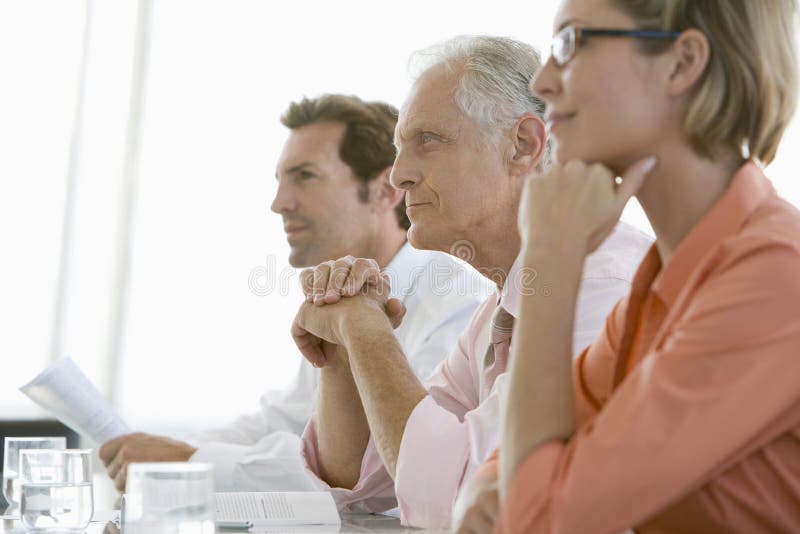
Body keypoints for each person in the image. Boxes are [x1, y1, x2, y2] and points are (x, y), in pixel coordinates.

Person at [453, 1, 800, 533]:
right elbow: (518, 461)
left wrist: (549, 255)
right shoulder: (669, 276)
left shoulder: (773, 277)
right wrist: (485, 488)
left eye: (569, 43)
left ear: (681, 62)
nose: (544, 81)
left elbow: (538, 519)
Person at [289, 36, 653, 528]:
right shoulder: (500, 310)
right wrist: (341, 348)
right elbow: (360, 484)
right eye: (399, 150)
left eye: (427, 141)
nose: (399, 177)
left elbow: (457, 495)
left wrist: (368, 333)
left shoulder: (602, 287)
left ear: (522, 145)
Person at [99, 94, 492, 493]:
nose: (278, 203)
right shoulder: (341, 298)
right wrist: (169, 453)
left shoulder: (457, 304)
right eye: (280, 181)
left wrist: (189, 462)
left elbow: (383, 471)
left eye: (304, 176)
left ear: (384, 191)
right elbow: (285, 421)